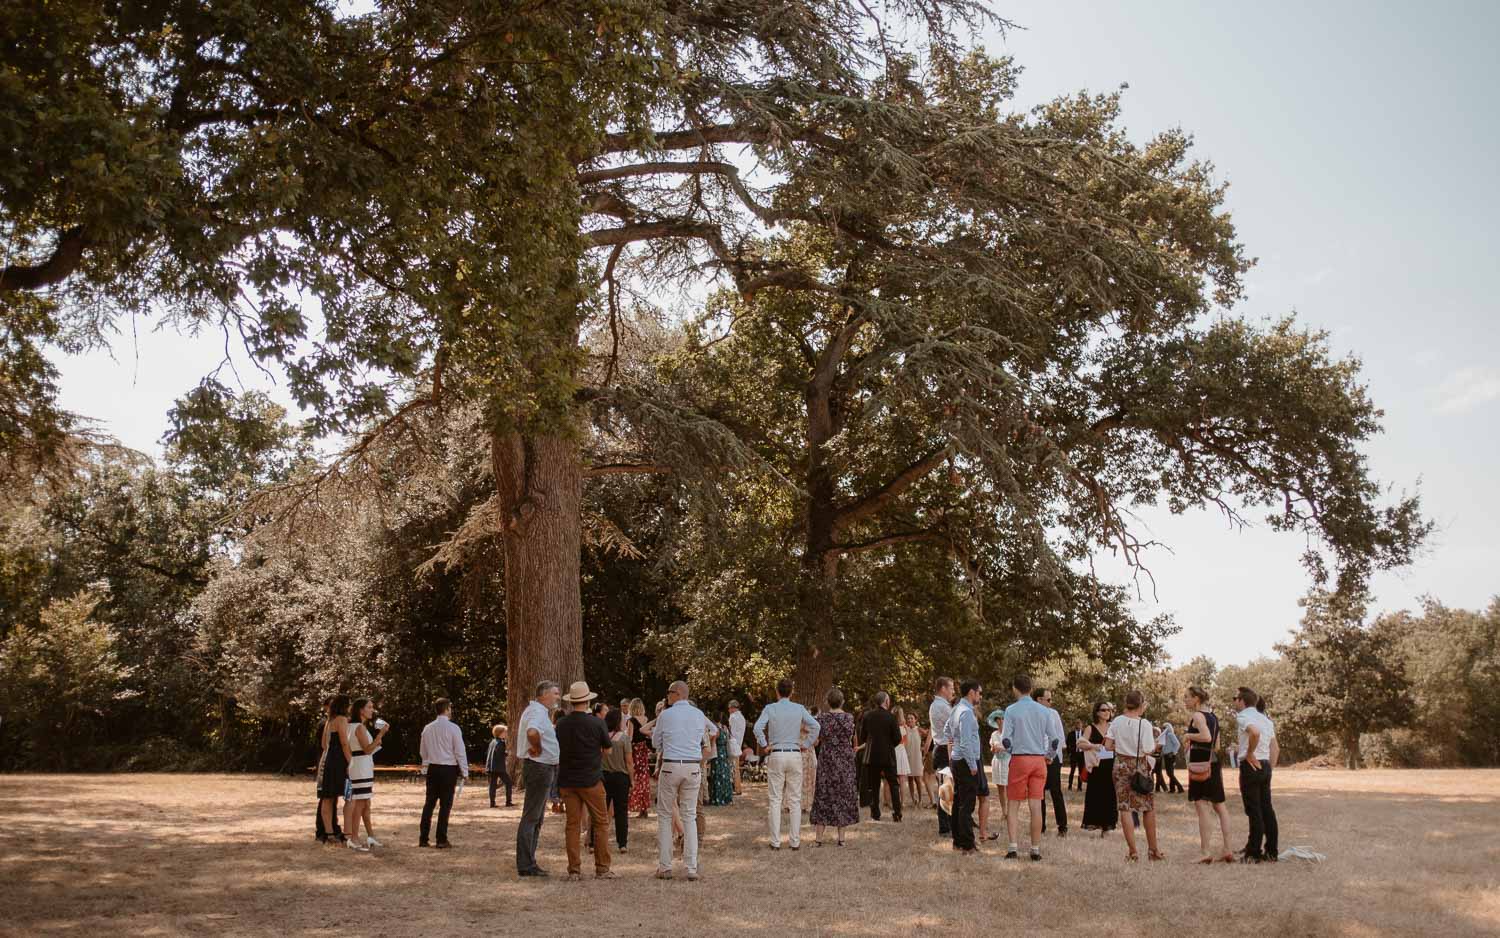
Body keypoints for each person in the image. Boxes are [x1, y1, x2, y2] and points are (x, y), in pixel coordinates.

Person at [555, 681, 615, 881]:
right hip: (591, 779)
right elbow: (607, 749)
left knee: (572, 825)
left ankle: (574, 870)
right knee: (601, 823)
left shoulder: (561, 724)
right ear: (588, 700)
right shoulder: (597, 723)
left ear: (571, 702)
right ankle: (602, 868)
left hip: (568, 780)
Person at [652, 680, 711, 880]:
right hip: (693, 766)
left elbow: (655, 741)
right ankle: (691, 867)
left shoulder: (665, 715)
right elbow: (704, 741)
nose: (667, 696)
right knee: (689, 815)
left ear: (677, 693)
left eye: (669, 693)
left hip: (670, 765)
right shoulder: (699, 715)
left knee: (665, 815)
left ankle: (665, 866)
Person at [753, 677, 820, 850]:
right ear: (791, 692)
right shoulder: (799, 709)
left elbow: (757, 727)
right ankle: (794, 841)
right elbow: (816, 726)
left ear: (777, 691)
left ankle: (775, 842)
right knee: (795, 800)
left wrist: (763, 744)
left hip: (776, 753)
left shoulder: (770, 708)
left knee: (775, 799)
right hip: (794, 754)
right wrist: (805, 744)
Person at [998, 675, 1060, 861]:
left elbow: (1006, 739)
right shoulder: (1044, 711)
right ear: (1031, 689)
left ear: (1015, 689)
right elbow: (1055, 739)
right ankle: (1035, 849)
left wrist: (1011, 750)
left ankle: (1013, 847)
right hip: (1038, 760)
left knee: (1014, 804)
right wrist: (1049, 756)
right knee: (1035, 805)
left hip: (1020, 758)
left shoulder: (1011, 710)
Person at [1105, 689, 1162, 862]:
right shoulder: (1144, 724)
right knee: (1148, 807)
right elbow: (1147, 749)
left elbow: (1108, 746)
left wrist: (1122, 747)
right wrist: (1156, 745)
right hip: (1139, 767)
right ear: (1141, 704)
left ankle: (1133, 851)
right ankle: (1153, 851)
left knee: (1125, 808)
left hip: (1120, 765)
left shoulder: (1116, 721)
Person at [514, 680, 561, 877]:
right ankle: (526, 864)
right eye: (555, 693)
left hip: (542, 768)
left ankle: (530, 860)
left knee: (536, 817)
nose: (558, 697)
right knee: (532, 816)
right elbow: (532, 732)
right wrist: (538, 748)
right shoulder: (537, 712)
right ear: (543, 695)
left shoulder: (540, 712)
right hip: (539, 768)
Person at [1182, 685, 1234, 864]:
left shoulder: (1197, 716)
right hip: (1213, 762)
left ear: (1196, 698)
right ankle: (1228, 849)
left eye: (1187, 697)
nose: (1185, 700)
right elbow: (1217, 745)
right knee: (1220, 806)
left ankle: (1205, 851)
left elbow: (1206, 737)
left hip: (1201, 764)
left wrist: (1188, 735)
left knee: (1202, 805)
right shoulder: (1214, 717)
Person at [1234, 686, 1280, 863]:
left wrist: (1250, 753)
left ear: (1242, 701)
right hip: (1265, 765)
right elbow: (1275, 748)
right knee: (1267, 809)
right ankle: (1271, 851)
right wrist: (1268, 769)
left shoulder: (1243, 716)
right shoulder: (1266, 719)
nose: (1234, 702)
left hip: (1251, 766)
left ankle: (1253, 853)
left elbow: (1254, 732)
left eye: (1235, 698)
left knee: (1254, 810)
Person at [810, 687, 859, 846]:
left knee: (823, 794)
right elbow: (850, 737)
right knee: (843, 794)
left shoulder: (822, 719)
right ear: (842, 701)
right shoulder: (849, 718)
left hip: (827, 758)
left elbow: (816, 740)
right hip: (845, 759)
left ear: (827, 702)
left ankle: (818, 839)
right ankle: (842, 839)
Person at [418, 697, 468, 849]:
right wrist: (464, 770)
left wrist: (425, 766)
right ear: (447, 709)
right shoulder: (453, 728)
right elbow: (460, 751)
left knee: (429, 803)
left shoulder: (427, 728)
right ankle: (441, 839)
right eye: (450, 709)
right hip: (448, 769)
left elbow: (423, 751)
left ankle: (423, 838)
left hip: (433, 768)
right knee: (445, 805)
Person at [343, 698, 389, 851]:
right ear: (361, 710)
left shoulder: (352, 726)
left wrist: (376, 742)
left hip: (361, 766)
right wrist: (380, 735)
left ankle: (370, 836)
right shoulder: (359, 728)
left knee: (366, 803)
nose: (372, 710)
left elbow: (364, 750)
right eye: (369, 707)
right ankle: (354, 838)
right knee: (360, 803)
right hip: (361, 768)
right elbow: (368, 749)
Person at [944, 678, 983, 854]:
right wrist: (972, 764)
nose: (980, 696)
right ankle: (967, 844)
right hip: (966, 762)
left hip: (956, 760)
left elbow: (947, 732)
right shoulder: (966, 713)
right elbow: (966, 742)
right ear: (971, 693)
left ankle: (958, 841)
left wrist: (955, 744)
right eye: (979, 693)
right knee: (967, 804)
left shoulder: (955, 709)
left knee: (959, 801)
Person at [859, 691, 903, 822]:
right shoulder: (890, 717)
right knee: (894, 784)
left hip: (872, 755)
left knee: (874, 784)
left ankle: (875, 813)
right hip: (888, 755)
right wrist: (889, 745)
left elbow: (863, 736)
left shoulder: (867, 716)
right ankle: (897, 813)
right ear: (886, 701)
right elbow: (898, 738)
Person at [1032, 687, 1069, 837]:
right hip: (1036, 756)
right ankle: (1040, 826)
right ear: (1038, 700)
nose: (1050, 702)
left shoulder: (1053, 714)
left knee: (1056, 792)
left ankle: (1062, 826)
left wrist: (1055, 757)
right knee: (1038, 793)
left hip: (1053, 758)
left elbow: (1060, 737)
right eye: (1048, 699)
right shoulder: (1031, 714)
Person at [1077, 701, 1118, 834]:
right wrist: (1093, 746)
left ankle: (1107, 826)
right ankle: (1094, 824)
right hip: (1096, 766)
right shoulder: (1090, 728)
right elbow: (1080, 744)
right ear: (1097, 712)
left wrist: (1112, 747)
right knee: (1095, 795)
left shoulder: (1113, 727)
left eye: (1109, 710)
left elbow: (1121, 744)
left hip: (1110, 765)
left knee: (1109, 795)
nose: (1107, 712)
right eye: (1104, 710)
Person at [315, 694, 350, 845]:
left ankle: (328, 833)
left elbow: (324, 744)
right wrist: (351, 761)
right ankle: (342, 832)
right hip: (337, 761)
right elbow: (344, 742)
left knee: (327, 797)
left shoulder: (329, 721)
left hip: (327, 758)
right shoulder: (342, 719)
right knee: (336, 797)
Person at [600, 708, 633, 853]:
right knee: (621, 811)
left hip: (604, 776)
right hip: (621, 777)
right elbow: (629, 762)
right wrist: (632, 780)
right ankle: (622, 843)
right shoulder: (624, 739)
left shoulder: (602, 737)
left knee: (601, 810)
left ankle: (595, 842)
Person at [928, 676, 956, 837]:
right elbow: (955, 726)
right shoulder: (942, 707)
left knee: (947, 787)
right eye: (951, 688)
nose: (953, 691)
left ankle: (949, 824)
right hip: (944, 750)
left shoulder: (940, 705)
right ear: (943, 688)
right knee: (946, 788)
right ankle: (945, 827)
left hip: (943, 749)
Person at [627, 698, 654, 818]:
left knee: (635, 777)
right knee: (644, 778)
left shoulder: (631, 721)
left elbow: (629, 738)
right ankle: (644, 808)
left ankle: (637, 806)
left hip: (635, 750)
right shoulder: (646, 719)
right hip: (644, 751)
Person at [987, 709, 1010, 832]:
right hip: (997, 761)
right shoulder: (994, 734)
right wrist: (994, 749)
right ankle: (1004, 811)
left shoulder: (1010, 733)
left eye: (1002, 719)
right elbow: (991, 748)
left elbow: (1012, 748)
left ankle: (1010, 811)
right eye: (998, 719)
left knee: (1009, 786)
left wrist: (1003, 749)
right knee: (1000, 787)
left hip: (1007, 761)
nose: (1000, 721)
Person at [707, 716, 734, 806]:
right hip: (724, 753)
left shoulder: (716, 730)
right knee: (725, 775)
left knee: (717, 775)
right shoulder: (725, 728)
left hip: (718, 753)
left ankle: (718, 798)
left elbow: (712, 742)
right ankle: (727, 797)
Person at [486, 723, 514, 808]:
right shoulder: (501, 742)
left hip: (491, 766)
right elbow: (499, 753)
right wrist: (507, 753)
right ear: (500, 733)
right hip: (499, 767)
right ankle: (508, 802)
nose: (506, 734)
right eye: (505, 732)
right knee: (508, 783)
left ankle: (492, 803)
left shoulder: (492, 742)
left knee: (492, 785)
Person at [902, 711, 926, 808]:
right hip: (908, 757)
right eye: (908, 718)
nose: (910, 720)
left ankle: (920, 799)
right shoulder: (905, 730)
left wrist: (924, 749)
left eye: (912, 718)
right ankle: (913, 799)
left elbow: (928, 736)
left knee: (918, 779)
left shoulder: (919, 730)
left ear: (916, 720)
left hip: (917, 757)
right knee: (910, 779)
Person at [1156, 722, 1184, 793]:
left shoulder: (1170, 734)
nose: (1163, 729)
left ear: (1168, 728)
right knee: (1171, 773)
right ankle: (1172, 789)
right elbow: (1165, 747)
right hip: (1166, 755)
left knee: (1169, 773)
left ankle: (1180, 787)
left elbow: (1177, 744)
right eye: (1163, 728)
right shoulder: (1165, 736)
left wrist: (1173, 752)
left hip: (1170, 756)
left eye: (1164, 727)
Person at [892, 706, 912, 803]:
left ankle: (891, 801)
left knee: (891, 779)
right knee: (902, 779)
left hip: (892, 751)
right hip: (901, 751)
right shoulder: (904, 727)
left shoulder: (890, 726)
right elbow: (905, 742)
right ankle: (902, 802)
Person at [727, 700, 747, 795]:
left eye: (729, 708)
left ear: (732, 708)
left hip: (733, 743)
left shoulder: (733, 717)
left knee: (732, 767)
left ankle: (734, 788)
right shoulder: (742, 717)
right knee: (737, 768)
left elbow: (731, 732)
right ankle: (738, 788)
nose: (728, 710)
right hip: (739, 744)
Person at [1066, 720, 1085, 791]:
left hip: (1081, 754)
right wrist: (1069, 752)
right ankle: (1069, 786)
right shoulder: (1071, 734)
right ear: (1075, 726)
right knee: (1072, 771)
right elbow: (1067, 744)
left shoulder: (1084, 734)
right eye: (1077, 724)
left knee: (1080, 771)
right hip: (1074, 754)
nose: (1078, 726)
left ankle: (1079, 787)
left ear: (1081, 725)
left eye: (1080, 724)